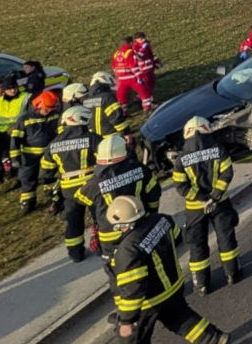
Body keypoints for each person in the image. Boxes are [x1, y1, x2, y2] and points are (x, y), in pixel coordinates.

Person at [105, 195, 230, 344]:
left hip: (151, 300)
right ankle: (215, 339)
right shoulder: (162, 220)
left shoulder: (127, 250)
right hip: (173, 285)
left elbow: (133, 289)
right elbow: (177, 236)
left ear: (121, 225)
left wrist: (127, 320)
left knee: (133, 338)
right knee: (181, 319)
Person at [171, 116, 241, 294]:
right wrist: (214, 196)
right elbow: (227, 173)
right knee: (226, 237)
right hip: (220, 203)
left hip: (195, 209)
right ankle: (232, 274)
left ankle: (201, 284)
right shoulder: (218, 150)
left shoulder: (181, 158)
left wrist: (201, 198)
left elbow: (180, 186)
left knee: (197, 244)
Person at [76, 134, 162, 276]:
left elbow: (80, 199)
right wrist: (152, 214)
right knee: (147, 261)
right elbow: (154, 194)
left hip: (110, 237)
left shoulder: (93, 184)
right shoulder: (141, 170)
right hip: (139, 225)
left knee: (117, 271)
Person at [40, 105, 100, 262]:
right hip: (91, 185)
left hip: (68, 190)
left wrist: (52, 193)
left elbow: (46, 171)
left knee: (73, 221)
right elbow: (105, 157)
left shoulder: (53, 144)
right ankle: (102, 246)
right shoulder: (91, 138)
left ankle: (75, 253)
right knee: (100, 215)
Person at [9, 90, 61, 214]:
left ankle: (55, 199)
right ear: (38, 105)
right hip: (29, 156)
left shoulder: (54, 116)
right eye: (47, 108)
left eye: (51, 108)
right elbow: (15, 140)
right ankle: (28, 203)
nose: (49, 111)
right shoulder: (24, 120)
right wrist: (15, 158)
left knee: (49, 177)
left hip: (49, 155)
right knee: (28, 179)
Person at [0, 74, 29, 183]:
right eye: (9, 88)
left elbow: (30, 115)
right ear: (4, 90)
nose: (12, 90)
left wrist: (15, 128)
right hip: (2, 133)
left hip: (19, 131)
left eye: (14, 87)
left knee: (15, 154)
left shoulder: (25, 97)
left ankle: (16, 172)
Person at [84, 72, 130, 139]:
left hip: (95, 139)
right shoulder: (108, 98)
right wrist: (126, 133)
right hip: (112, 138)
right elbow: (116, 118)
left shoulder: (86, 100)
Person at [112, 37, 148, 112]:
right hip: (131, 77)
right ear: (131, 43)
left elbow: (114, 67)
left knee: (121, 96)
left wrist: (118, 77)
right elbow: (133, 66)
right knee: (143, 91)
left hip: (121, 79)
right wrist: (139, 77)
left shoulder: (116, 53)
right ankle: (147, 107)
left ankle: (123, 111)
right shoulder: (129, 52)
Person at [132, 32, 161, 111]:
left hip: (150, 68)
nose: (143, 40)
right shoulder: (135, 47)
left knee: (151, 84)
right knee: (146, 86)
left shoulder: (147, 44)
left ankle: (148, 100)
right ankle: (143, 101)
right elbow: (139, 57)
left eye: (143, 38)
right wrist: (143, 48)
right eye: (141, 39)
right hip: (143, 70)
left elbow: (152, 54)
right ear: (136, 40)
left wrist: (156, 61)